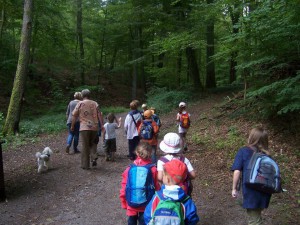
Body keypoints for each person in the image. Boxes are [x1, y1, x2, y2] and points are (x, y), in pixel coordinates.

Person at [231, 127, 272, 225]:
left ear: (251, 137)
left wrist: (234, 188)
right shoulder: (267, 155)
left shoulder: (243, 151)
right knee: (256, 216)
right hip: (264, 191)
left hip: (251, 193)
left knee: (254, 221)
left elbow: (237, 171)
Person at [144, 159, 200, 225]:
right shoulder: (186, 200)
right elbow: (192, 219)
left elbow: (147, 215)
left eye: (164, 175)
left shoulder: (157, 197)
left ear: (167, 179)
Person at [120, 143, 160, 225]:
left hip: (131, 203)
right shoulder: (153, 169)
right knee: (144, 221)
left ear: (136, 153)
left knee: (131, 220)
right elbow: (157, 187)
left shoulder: (129, 169)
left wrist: (124, 201)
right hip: (146, 203)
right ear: (150, 154)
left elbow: (124, 186)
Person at [71, 89, 104, 169]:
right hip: (94, 127)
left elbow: (74, 115)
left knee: (85, 146)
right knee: (93, 143)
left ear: (82, 95)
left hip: (84, 128)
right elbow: (99, 114)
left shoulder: (80, 103)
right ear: (90, 95)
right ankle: (94, 155)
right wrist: (102, 125)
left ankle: (85, 165)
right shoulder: (95, 103)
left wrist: (72, 125)